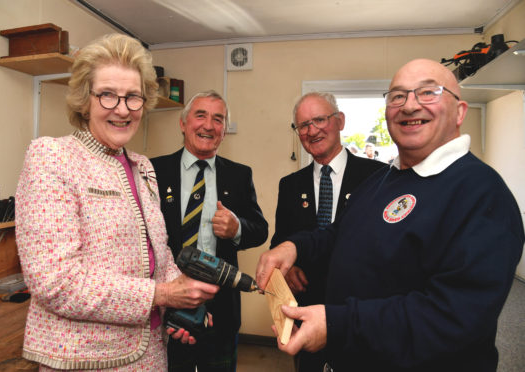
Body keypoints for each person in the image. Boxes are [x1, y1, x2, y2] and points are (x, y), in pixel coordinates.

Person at [256, 59, 524, 371]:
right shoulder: (383, 180)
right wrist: (295, 247)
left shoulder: (482, 194)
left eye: (428, 93)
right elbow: (338, 233)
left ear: (460, 111)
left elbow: (453, 318)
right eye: (397, 96)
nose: (410, 106)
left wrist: (338, 324)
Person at [15, 34, 219, 371]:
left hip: (152, 353)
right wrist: (162, 295)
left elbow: (160, 251)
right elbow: (54, 280)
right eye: (107, 95)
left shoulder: (143, 167)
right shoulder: (52, 157)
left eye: (133, 97)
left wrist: (182, 300)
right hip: (85, 360)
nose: (122, 110)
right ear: (85, 100)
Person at [150, 90, 268, 372]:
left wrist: (237, 227)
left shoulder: (240, 174)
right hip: (168, 302)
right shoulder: (154, 170)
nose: (208, 125)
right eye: (200, 115)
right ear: (183, 123)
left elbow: (260, 230)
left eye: (218, 119)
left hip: (221, 306)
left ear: (224, 131)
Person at [271, 92, 384, 371]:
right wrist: (290, 265)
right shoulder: (289, 185)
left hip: (360, 311)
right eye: (304, 125)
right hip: (307, 309)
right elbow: (280, 240)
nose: (312, 131)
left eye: (319, 120)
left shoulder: (378, 177)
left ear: (340, 121)